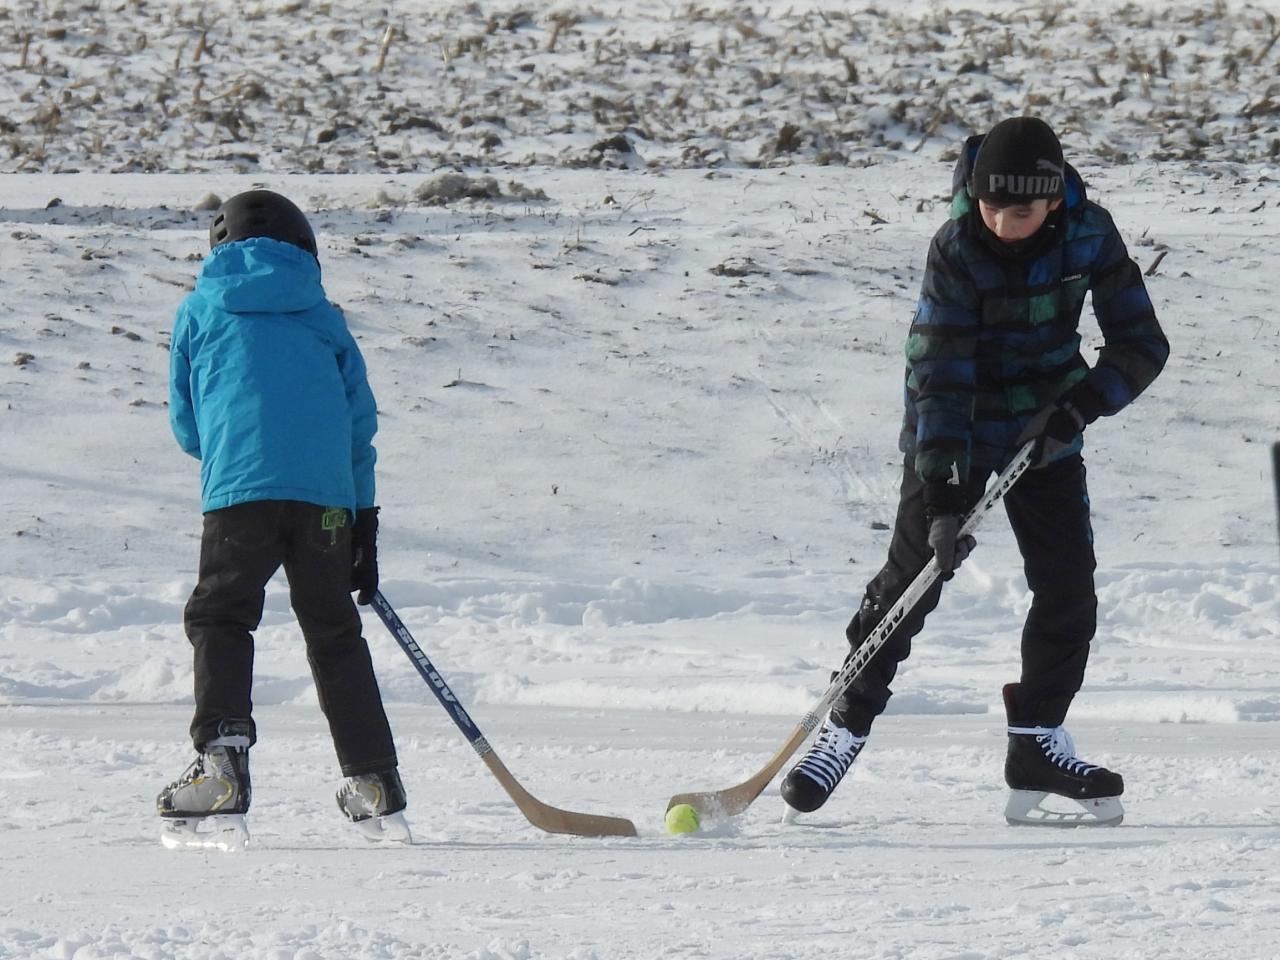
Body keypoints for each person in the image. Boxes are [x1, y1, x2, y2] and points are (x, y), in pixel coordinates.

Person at [781, 117, 1169, 825]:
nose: (1001, 224)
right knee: (914, 579)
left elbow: (1142, 343)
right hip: (955, 427)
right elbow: (940, 372)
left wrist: (1077, 409)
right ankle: (844, 725)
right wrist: (943, 497)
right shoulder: (957, 246)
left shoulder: (1090, 234)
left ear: (1052, 201)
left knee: (1067, 587)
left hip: (1046, 427)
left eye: (1019, 212)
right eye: (990, 206)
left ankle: (1037, 742)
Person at [158, 190, 409, 847]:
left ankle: (222, 767)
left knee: (221, 616)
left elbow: (186, 424)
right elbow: (358, 425)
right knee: (333, 630)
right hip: (326, 500)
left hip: (240, 491)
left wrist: (235, 451)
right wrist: (362, 520)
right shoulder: (324, 316)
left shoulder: (199, 309)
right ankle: (373, 780)